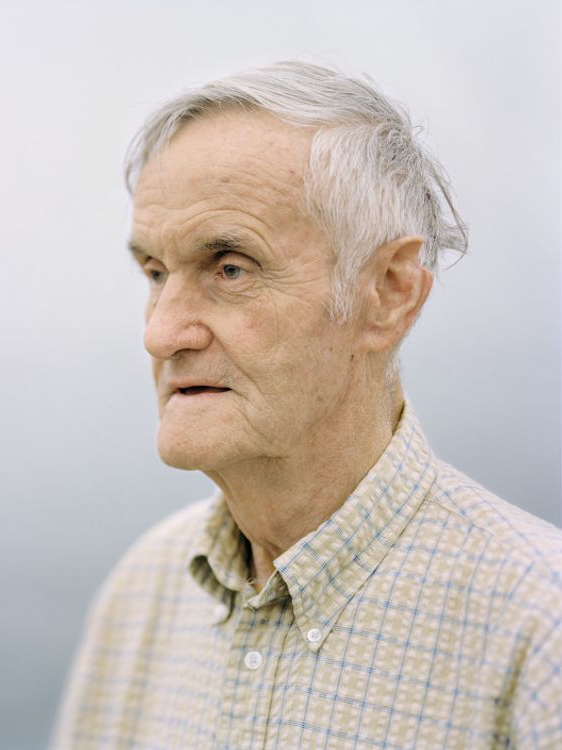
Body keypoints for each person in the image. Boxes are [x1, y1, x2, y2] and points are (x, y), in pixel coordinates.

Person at [52, 62, 562, 749]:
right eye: (155, 272)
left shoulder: (538, 628)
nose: (161, 333)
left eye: (230, 267)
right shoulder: (143, 594)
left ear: (389, 293)